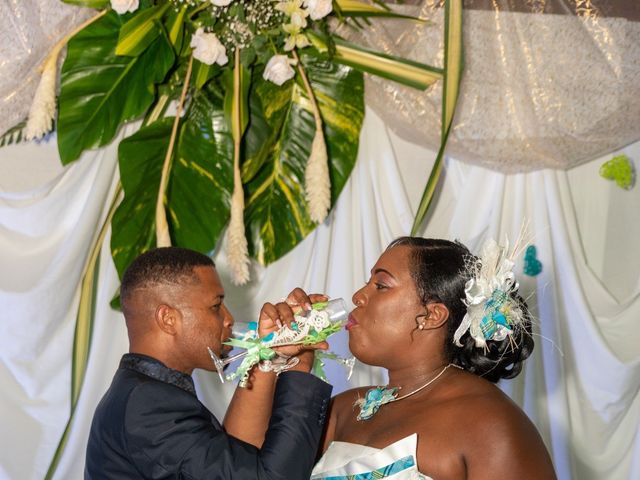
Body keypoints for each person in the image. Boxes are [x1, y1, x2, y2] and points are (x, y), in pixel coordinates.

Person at [311, 237, 557, 480]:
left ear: (431, 316)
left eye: (381, 285)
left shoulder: (489, 424)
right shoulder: (341, 411)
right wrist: (284, 360)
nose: (358, 296)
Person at [85, 246, 332, 479]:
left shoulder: (144, 394)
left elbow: (239, 459)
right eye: (216, 306)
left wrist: (273, 356)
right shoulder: (147, 406)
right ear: (168, 319)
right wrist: (299, 366)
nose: (229, 319)